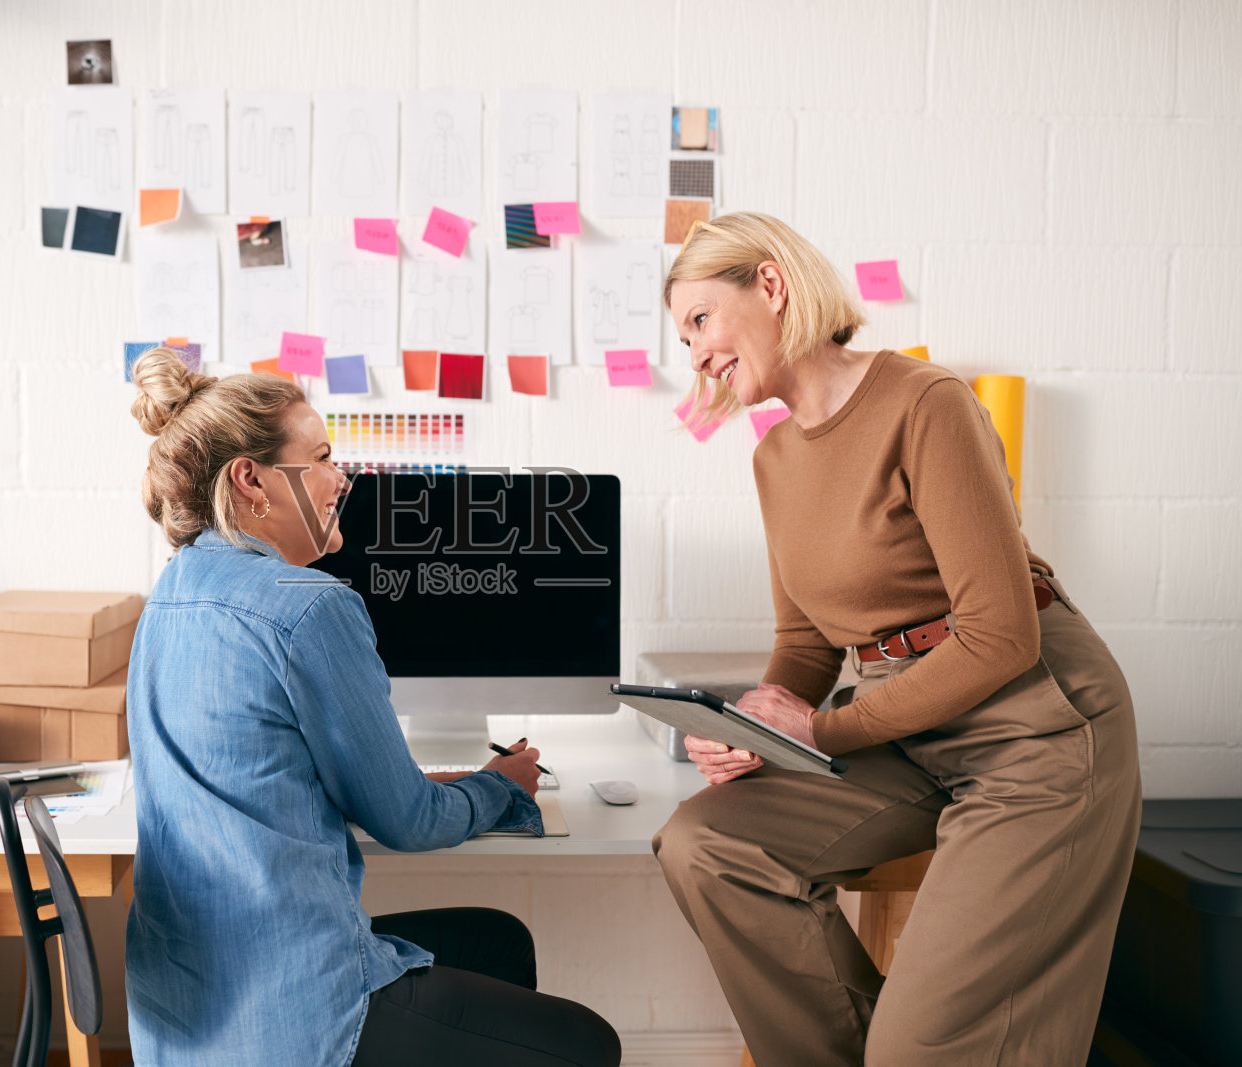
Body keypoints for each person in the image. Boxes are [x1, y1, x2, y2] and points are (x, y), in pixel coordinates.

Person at [652, 214, 1141, 1066]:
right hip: (906, 733)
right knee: (706, 844)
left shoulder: (925, 403)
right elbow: (806, 640)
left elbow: (1000, 638)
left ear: (769, 286)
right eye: (681, 335)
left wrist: (821, 730)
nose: (693, 353)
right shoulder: (774, 461)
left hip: (1037, 731)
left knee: (917, 1050)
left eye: (699, 320)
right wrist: (759, 725)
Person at [122, 347, 622, 1067]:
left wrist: (440, 784)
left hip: (185, 1017)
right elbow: (408, 822)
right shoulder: (308, 606)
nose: (341, 476)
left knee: (496, 941)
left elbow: (272, 773)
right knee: (586, 1044)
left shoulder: (167, 597)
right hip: (294, 1017)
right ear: (251, 479)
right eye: (321, 456)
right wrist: (498, 788)